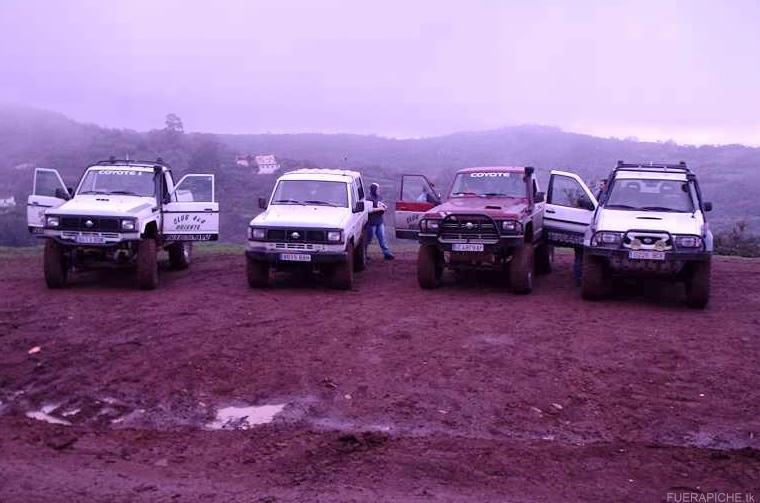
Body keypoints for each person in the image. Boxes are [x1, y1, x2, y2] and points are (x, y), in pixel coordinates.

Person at [366, 183, 394, 260]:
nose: (379, 190)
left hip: (379, 221)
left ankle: (387, 253)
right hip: (372, 223)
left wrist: (384, 207)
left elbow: (381, 205)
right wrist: (380, 209)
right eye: (377, 189)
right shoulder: (369, 198)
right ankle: (364, 254)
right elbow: (369, 210)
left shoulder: (378, 197)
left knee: (382, 238)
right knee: (369, 239)